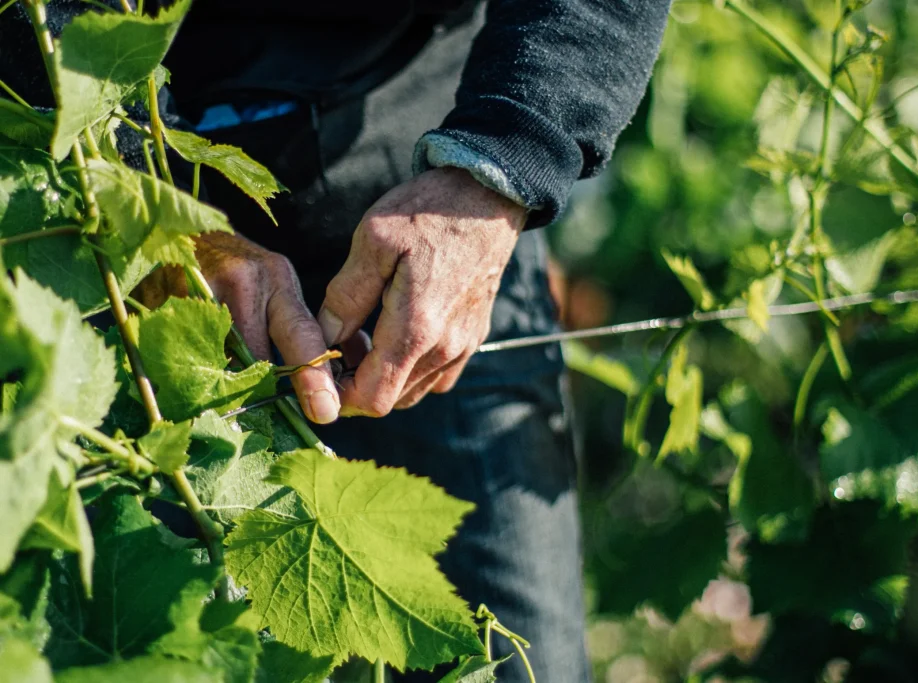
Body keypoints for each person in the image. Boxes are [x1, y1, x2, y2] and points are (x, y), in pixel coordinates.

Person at [2, 1, 672, 680]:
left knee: (507, 659)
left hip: (434, 155)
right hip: (91, 163)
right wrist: (137, 200)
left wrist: (503, 168)